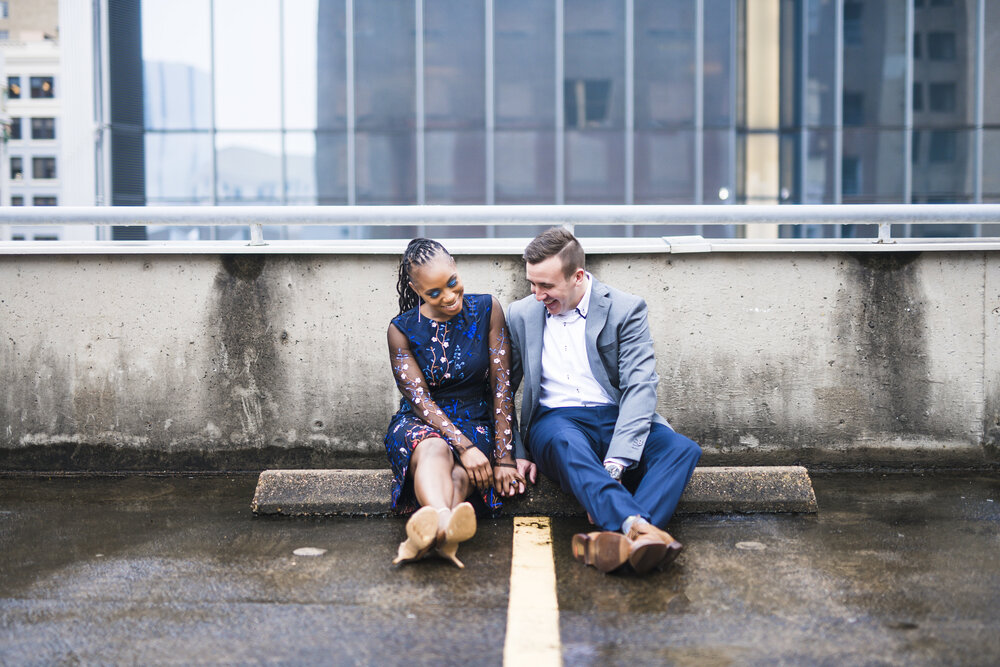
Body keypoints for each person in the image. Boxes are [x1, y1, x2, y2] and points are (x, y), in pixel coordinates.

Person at [507, 227, 702, 574]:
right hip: (556, 422)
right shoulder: (520, 314)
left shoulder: (626, 309)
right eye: (531, 284)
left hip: (616, 418)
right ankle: (635, 528)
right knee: (566, 442)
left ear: (578, 276)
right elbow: (504, 389)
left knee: (681, 449)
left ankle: (621, 544)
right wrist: (514, 453)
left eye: (546, 286)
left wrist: (616, 462)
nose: (536, 295)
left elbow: (640, 387)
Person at [384, 238, 526, 568]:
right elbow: (420, 401)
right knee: (435, 449)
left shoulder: (488, 309)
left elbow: (501, 387)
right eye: (434, 293)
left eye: (452, 283)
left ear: (456, 266)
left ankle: (428, 535)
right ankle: (445, 522)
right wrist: (463, 446)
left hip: (476, 419)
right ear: (415, 288)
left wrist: (504, 458)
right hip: (422, 423)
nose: (448, 297)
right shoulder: (400, 329)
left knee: (464, 476)